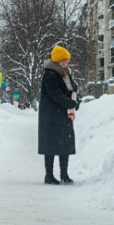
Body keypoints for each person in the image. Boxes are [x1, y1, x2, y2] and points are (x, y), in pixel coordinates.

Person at [39, 45, 79, 185]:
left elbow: (72, 89)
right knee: (50, 146)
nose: (65, 63)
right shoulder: (50, 74)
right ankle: (49, 175)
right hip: (51, 115)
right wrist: (69, 103)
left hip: (63, 115)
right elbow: (55, 94)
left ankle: (64, 174)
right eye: (62, 60)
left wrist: (75, 102)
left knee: (65, 145)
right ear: (56, 60)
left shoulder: (65, 74)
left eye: (67, 60)